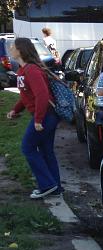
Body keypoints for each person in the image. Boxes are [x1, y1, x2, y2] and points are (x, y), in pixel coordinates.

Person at [6, 38, 62, 198]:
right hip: (45, 115)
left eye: (13, 46)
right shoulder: (22, 71)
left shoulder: (32, 70)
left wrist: (38, 120)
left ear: (21, 51)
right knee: (46, 152)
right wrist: (15, 110)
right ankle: (55, 188)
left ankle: (47, 185)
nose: (10, 48)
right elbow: (26, 95)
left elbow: (42, 95)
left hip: (46, 116)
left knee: (27, 147)